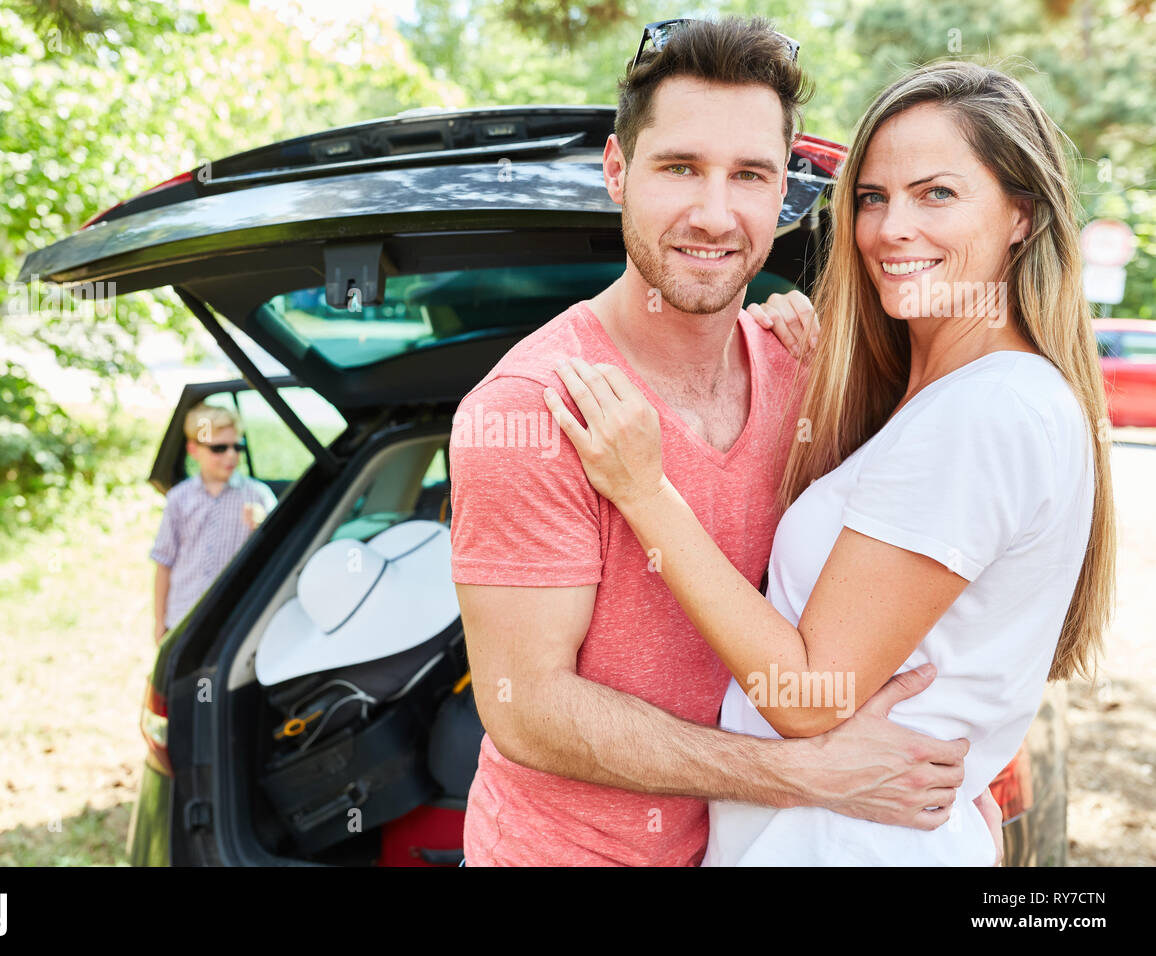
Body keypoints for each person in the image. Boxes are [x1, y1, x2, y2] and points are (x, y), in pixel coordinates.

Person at [449, 16, 994, 867]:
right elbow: (530, 710)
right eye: (680, 168)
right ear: (617, 170)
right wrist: (801, 776)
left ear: (784, 192)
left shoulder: (802, 370)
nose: (714, 214)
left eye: (749, 175)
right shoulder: (533, 408)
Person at [544, 58, 1115, 865]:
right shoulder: (950, 400)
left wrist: (645, 492)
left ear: (1021, 215)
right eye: (873, 198)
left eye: (936, 194)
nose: (891, 229)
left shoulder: (986, 411)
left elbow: (809, 695)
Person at [151, 403, 277, 645]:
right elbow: (164, 562)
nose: (231, 455)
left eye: (236, 447)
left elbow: (279, 556)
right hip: (184, 616)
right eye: (219, 448)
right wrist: (159, 621)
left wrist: (262, 529)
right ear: (193, 450)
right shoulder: (179, 499)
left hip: (235, 618)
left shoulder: (258, 496)